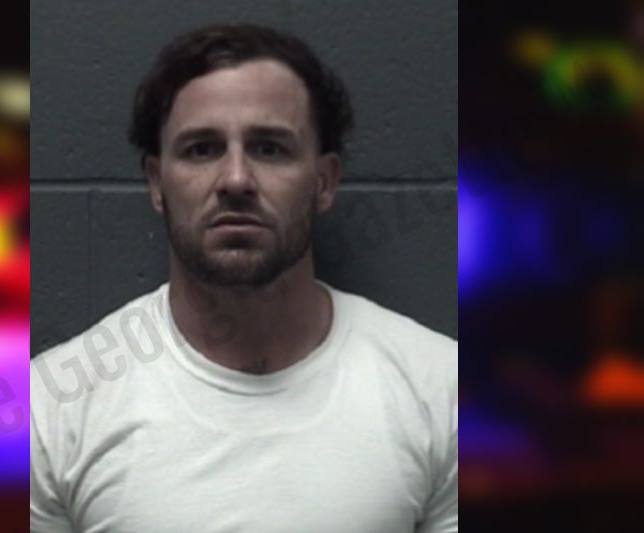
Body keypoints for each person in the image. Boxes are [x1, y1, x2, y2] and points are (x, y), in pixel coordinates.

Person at [31, 23, 457, 533]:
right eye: (202, 149)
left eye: (269, 148)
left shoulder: (442, 390)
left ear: (324, 182)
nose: (235, 180)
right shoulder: (53, 408)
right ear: (157, 184)